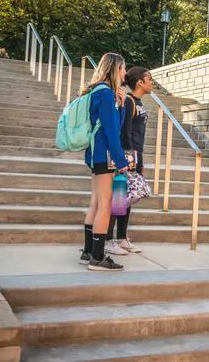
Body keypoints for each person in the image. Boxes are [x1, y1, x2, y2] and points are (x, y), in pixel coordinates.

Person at [80, 53, 130, 272]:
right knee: (105, 205)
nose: (125, 73)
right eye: (123, 68)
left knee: (95, 203)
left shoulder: (96, 91)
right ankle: (98, 258)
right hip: (104, 155)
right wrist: (121, 161)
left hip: (95, 154)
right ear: (115, 69)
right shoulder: (106, 94)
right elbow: (112, 131)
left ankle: (88, 252)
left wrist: (120, 104)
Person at [105, 66, 153, 255]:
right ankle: (108, 239)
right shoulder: (130, 102)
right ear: (140, 82)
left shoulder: (138, 102)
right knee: (119, 197)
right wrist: (129, 160)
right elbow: (125, 133)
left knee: (128, 198)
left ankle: (122, 238)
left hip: (135, 156)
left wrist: (140, 161)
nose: (152, 82)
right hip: (126, 157)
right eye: (149, 79)